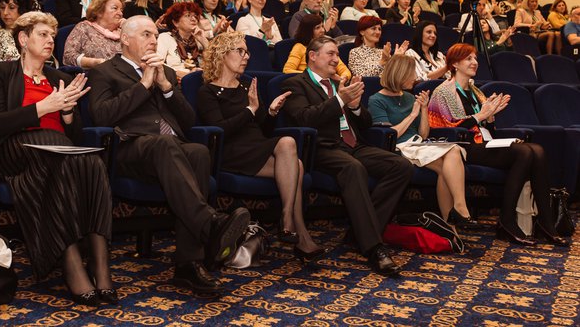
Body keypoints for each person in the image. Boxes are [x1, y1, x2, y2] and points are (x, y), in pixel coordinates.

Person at [87, 15, 250, 291]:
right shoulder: (106, 71)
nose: (153, 40)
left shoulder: (169, 74)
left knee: (198, 151)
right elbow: (101, 116)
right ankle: (210, 224)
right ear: (125, 39)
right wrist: (143, 86)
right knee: (166, 144)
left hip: (170, 150)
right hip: (130, 149)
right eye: (146, 35)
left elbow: (189, 122)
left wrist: (164, 86)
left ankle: (188, 264)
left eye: (155, 35)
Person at [0, 11, 116, 306]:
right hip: (17, 149)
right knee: (54, 150)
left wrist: (67, 113)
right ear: (23, 39)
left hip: (59, 151)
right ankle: (71, 265)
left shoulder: (59, 78)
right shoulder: (0, 73)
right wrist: (43, 108)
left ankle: (101, 267)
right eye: (43, 34)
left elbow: (76, 137)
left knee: (92, 162)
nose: (50, 40)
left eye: (53, 36)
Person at [281, 36, 412, 275]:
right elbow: (305, 118)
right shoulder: (295, 83)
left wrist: (354, 106)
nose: (336, 59)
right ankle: (373, 247)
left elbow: (365, 123)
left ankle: (358, 231)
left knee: (401, 166)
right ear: (313, 56)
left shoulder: (340, 84)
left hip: (354, 145)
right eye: (330, 54)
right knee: (353, 168)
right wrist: (340, 99)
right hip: (323, 148)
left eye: (337, 55)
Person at [198, 32, 328, 259]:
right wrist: (250, 109)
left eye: (246, 51)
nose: (246, 56)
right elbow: (220, 130)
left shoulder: (247, 85)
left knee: (294, 159)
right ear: (222, 54)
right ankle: (297, 230)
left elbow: (263, 130)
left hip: (257, 147)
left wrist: (270, 112)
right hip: (231, 152)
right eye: (240, 50)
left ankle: (291, 224)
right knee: (294, 160)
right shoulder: (207, 91)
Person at [428, 43, 569, 247]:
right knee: (524, 153)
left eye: (475, 58)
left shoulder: (476, 91)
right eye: (468, 58)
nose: (474, 62)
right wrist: (481, 116)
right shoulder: (443, 91)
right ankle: (507, 221)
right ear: (455, 64)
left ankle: (546, 223)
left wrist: (490, 116)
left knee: (536, 151)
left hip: (484, 143)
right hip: (461, 147)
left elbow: (486, 129)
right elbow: (448, 128)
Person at [368, 55, 474, 225]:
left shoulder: (410, 98)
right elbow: (389, 134)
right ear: (400, 74)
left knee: (450, 156)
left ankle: (452, 219)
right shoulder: (376, 100)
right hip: (399, 147)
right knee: (449, 160)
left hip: (419, 144)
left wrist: (423, 109)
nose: (415, 78)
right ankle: (457, 213)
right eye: (411, 74)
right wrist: (412, 115)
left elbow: (424, 134)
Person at [63, 0, 124, 68]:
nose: (120, 13)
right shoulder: (84, 28)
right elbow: (68, 57)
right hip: (96, 75)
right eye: (115, 8)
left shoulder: (124, 33)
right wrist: (93, 62)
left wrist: (128, 28)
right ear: (99, 11)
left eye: (121, 10)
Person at [284, 13, 351, 79]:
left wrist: (342, 78)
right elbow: (287, 70)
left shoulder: (327, 48)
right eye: (317, 28)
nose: (322, 30)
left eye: (322, 26)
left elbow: (345, 71)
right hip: (307, 84)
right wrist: (315, 75)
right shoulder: (299, 47)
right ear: (308, 31)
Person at [158, 1, 209, 78]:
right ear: (175, 22)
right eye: (188, 15)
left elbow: (216, 64)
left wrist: (204, 41)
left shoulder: (199, 38)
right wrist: (179, 73)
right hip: (176, 82)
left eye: (195, 16)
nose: (193, 19)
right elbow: (158, 63)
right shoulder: (165, 38)